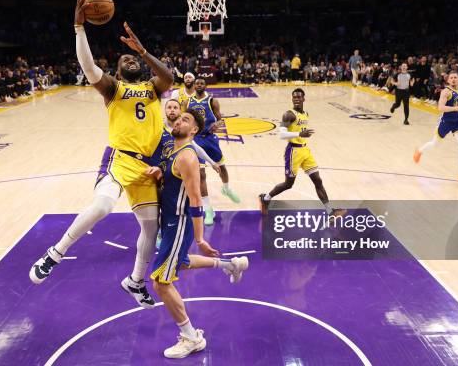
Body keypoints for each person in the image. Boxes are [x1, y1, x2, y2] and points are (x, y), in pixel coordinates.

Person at [30, 0, 174, 310]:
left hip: (148, 167)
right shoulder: (113, 87)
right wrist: (79, 28)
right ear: (118, 71)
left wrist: (144, 51)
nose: (130, 59)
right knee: (104, 205)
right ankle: (55, 253)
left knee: (151, 228)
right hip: (120, 159)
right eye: (125, 59)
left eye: (133, 58)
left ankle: (135, 281)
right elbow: (88, 65)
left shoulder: (153, 87)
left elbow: (169, 77)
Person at [145, 109, 249, 359]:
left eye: (186, 120)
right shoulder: (174, 151)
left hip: (179, 223)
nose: (179, 120)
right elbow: (176, 183)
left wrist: (200, 239)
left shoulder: (188, 156)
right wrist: (161, 174)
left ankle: (191, 337)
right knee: (180, 262)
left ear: (194, 131)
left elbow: (195, 200)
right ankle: (230, 265)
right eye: (179, 118)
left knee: (161, 282)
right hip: (170, 221)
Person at [259, 88, 345, 217]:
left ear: (304, 99)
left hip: (305, 150)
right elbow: (281, 135)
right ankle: (265, 198)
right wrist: (299, 133)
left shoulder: (306, 114)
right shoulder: (289, 114)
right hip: (293, 151)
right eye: (294, 97)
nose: (296, 99)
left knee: (318, 180)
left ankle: (330, 211)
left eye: (299, 97)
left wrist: (302, 135)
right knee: (288, 184)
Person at [183, 78, 241, 225]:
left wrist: (217, 123)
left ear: (205, 86)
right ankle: (209, 210)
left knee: (221, 167)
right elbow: (184, 119)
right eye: (197, 83)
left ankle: (226, 189)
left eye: (202, 83)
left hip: (210, 139)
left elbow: (221, 119)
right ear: (194, 86)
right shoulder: (187, 102)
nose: (199, 85)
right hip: (196, 140)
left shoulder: (212, 101)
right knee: (201, 175)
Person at [413, 71, 458, 180]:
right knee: (435, 144)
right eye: (451, 78)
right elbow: (440, 107)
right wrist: (457, 108)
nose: (453, 79)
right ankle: (419, 151)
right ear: (448, 80)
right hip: (446, 121)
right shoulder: (446, 92)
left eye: (455, 77)